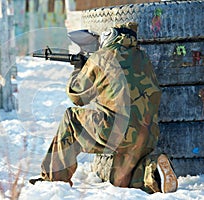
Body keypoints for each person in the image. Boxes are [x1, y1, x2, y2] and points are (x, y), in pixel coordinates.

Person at [29, 22, 178, 194]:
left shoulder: (103, 56)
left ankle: (53, 179)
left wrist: (79, 68)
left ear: (110, 36)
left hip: (117, 131)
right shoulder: (143, 58)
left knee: (71, 119)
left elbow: (77, 96)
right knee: (119, 180)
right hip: (147, 135)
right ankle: (153, 171)